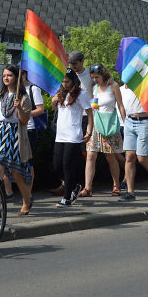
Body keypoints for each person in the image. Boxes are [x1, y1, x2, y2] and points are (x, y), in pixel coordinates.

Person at [0, 65, 33, 215]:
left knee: (15, 172)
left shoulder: (23, 97)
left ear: (16, 78)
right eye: (4, 75)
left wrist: (19, 108)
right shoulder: (0, 97)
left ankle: (27, 201)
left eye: (10, 75)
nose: (6, 78)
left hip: (15, 135)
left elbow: (25, 121)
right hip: (0, 134)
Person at [117, 82, 148, 202]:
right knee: (129, 157)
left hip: (145, 121)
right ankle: (130, 192)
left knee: (142, 158)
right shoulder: (124, 86)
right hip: (129, 121)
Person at [82, 64, 126, 197]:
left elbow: (120, 105)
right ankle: (87, 187)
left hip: (109, 125)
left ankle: (116, 185)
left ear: (103, 74)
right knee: (90, 155)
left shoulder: (113, 86)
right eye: (93, 77)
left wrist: (126, 122)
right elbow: (92, 109)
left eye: (97, 77)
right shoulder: (94, 88)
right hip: (96, 125)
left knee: (110, 156)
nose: (95, 79)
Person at [52, 70, 93, 207]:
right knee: (57, 166)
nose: (64, 84)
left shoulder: (81, 94)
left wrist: (89, 132)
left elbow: (89, 113)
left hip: (73, 135)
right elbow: (55, 107)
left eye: (67, 81)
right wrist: (54, 100)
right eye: (63, 81)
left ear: (73, 81)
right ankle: (74, 186)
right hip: (60, 135)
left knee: (67, 166)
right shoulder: (61, 94)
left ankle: (67, 197)